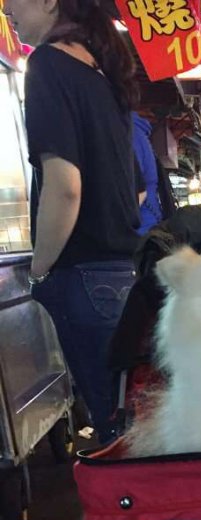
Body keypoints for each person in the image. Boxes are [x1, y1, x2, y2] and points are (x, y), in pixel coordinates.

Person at [6, 0, 142, 444]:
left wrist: (38, 271)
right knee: (130, 427)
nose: (6, 10)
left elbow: (65, 188)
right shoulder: (101, 75)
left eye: (13, 0)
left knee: (113, 433)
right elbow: (136, 190)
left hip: (82, 276)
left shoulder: (47, 64)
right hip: (120, 274)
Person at [132, 112, 163, 236]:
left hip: (139, 231)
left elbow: (136, 190)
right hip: (147, 226)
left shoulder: (130, 135)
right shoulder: (137, 134)